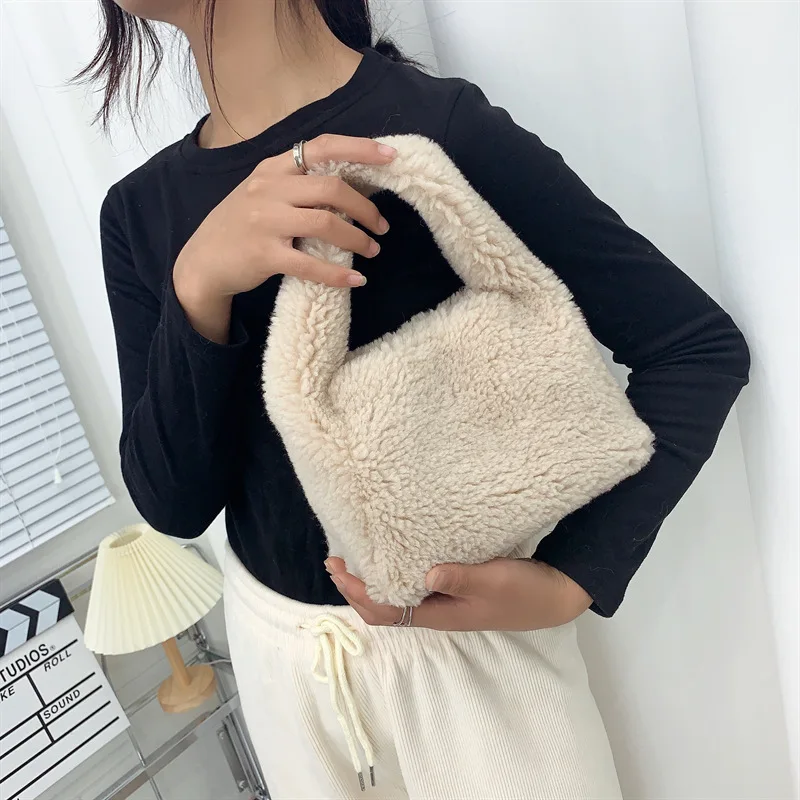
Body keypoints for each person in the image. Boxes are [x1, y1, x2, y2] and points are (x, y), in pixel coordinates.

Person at [88, 1, 750, 797]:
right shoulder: (138, 211)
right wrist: (198, 285)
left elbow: (695, 349)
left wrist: (575, 575)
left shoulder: (436, 131)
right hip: (282, 665)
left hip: (470, 671)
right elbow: (174, 503)